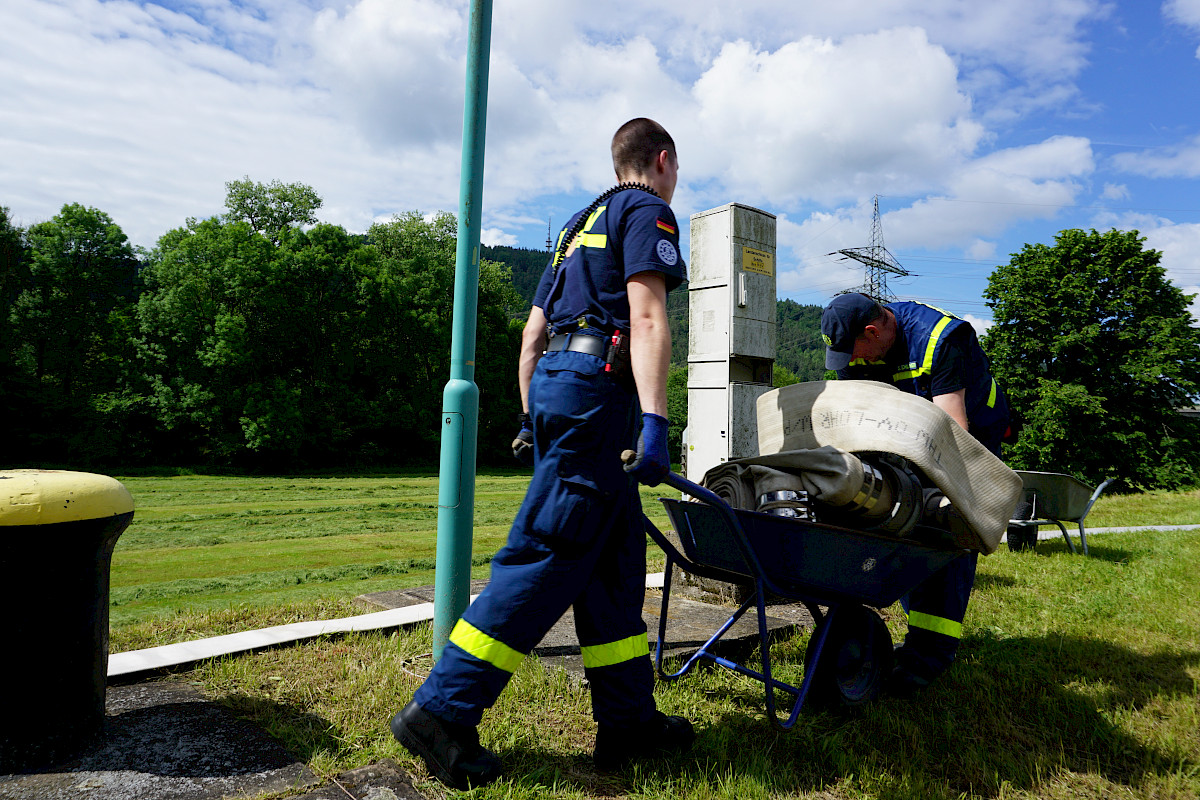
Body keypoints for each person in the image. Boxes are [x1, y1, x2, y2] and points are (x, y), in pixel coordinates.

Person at [391, 118, 694, 790]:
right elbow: (646, 320)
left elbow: (531, 338)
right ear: (663, 161)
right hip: (600, 396)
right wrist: (654, 421)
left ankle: (629, 723)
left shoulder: (574, 228)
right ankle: (440, 711)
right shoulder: (649, 212)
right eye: (677, 170)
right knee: (550, 550)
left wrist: (532, 416)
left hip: (561, 386)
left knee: (612, 564)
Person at [821, 292, 1011, 695]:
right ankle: (911, 629)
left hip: (970, 436)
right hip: (905, 436)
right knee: (897, 523)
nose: (851, 366)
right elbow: (854, 416)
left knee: (945, 531)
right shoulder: (860, 351)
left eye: (855, 354)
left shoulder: (942, 338)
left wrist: (925, 492)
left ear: (873, 332)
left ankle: (929, 657)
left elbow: (952, 431)